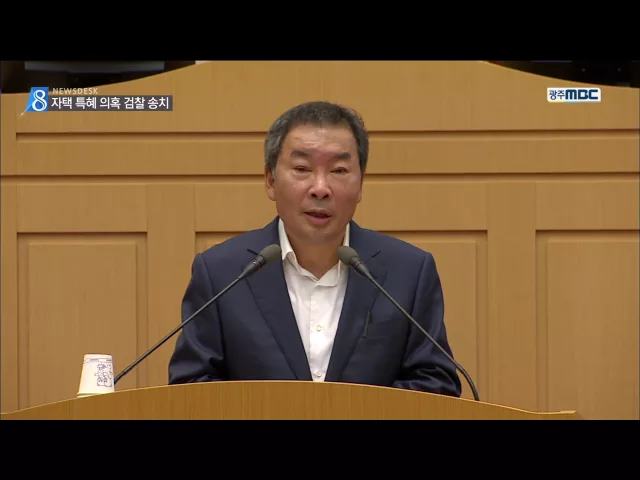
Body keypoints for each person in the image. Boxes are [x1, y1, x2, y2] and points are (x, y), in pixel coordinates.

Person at [168, 101, 462, 397]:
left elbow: (435, 385)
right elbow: (190, 387)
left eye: (339, 170)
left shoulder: (409, 272)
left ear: (361, 184)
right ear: (270, 180)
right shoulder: (221, 273)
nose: (320, 188)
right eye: (302, 169)